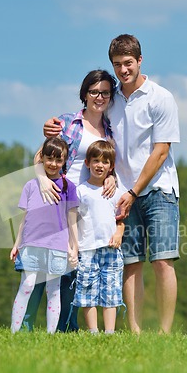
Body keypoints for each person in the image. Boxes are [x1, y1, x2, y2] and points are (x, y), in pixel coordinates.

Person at [44, 35, 181, 334]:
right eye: (117, 64)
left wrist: (133, 191)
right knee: (130, 263)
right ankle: (134, 331)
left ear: (140, 60)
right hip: (119, 196)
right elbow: (87, 117)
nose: (123, 70)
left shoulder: (161, 97)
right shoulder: (113, 100)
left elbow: (162, 151)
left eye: (128, 63)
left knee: (162, 261)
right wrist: (54, 126)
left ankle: (165, 333)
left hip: (158, 190)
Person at [27, 69, 118, 333]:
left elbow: (108, 163)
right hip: (57, 199)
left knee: (76, 266)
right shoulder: (68, 123)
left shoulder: (110, 131)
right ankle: (26, 323)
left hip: (88, 205)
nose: (99, 97)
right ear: (84, 93)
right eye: (93, 92)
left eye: (104, 93)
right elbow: (39, 157)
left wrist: (111, 177)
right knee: (45, 264)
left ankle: (68, 325)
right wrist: (43, 180)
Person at [10, 137, 78, 334]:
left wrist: (74, 247)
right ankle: (15, 332)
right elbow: (25, 218)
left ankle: (50, 334)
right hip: (31, 243)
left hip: (57, 245)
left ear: (64, 161)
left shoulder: (69, 187)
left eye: (59, 160)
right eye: (49, 159)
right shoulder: (31, 185)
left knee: (53, 289)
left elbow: (72, 220)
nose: (53, 164)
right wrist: (17, 244)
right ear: (43, 158)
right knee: (27, 285)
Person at [73, 140, 124, 334]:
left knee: (110, 291)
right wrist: (74, 246)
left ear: (111, 167)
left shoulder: (115, 192)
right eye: (95, 161)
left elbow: (120, 220)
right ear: (87, 163)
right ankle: (93, 331)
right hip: (87, 249)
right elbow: (74, 221)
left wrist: (119, 233)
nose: (99, 165)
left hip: (111, 249)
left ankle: (109, 332)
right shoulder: (80, 191)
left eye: (105, 162)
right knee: (87, 290)